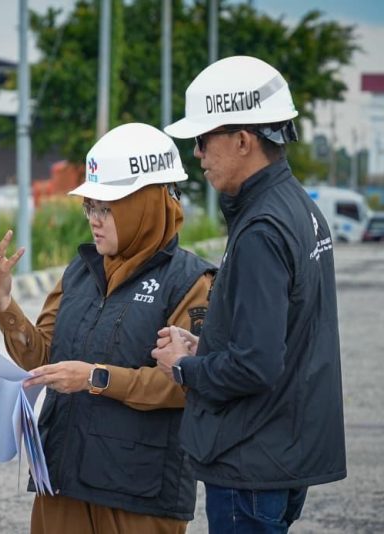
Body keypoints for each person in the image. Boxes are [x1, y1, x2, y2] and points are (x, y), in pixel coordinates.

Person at [0, 123, 216, 534]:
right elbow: (42, 356)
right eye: (90, 208)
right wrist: (4, 302)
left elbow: (183, 384)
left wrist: (95, 378)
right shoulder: (80, 272)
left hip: (138, 493)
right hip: (62, 480)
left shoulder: (190, 282)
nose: (94, 222)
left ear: (143, 206)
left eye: (106, 209)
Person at [152, 55, 347, 533]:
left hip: (251, 459)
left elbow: (256, 364)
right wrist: (207, 345)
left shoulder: (262, 228)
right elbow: (285, 333)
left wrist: (184, 367)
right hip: (281, 449)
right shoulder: (298, 207)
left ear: (243, 140)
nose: (197, 154)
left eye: (203, 139)